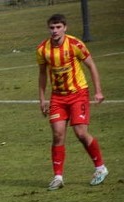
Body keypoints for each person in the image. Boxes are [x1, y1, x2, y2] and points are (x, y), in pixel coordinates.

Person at [36, 13, 108, 190]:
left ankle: (100, 168)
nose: (55, 31)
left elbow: (91, 66)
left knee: (81, 133)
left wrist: (98, 91)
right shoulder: (42, 49)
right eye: (52, 27)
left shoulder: (75, 44)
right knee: (58, 134)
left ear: (65, 28)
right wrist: (42, 99)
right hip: (58, 97)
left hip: (78, 94)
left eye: (58, 27)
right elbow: (43, 74)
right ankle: (58, 177)